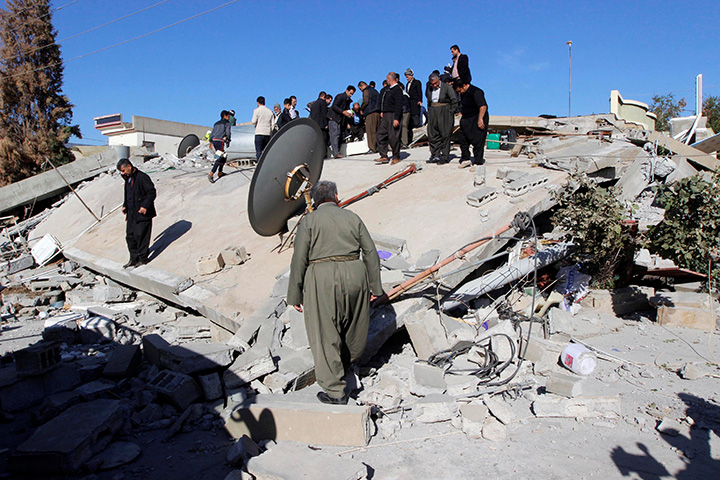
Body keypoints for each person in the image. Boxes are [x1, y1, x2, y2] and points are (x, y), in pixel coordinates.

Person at [287, 180, 383, 405]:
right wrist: (375, 286)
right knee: (353, 325)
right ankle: (347, 364)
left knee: (324, 333)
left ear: (316, 201)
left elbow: (299, 259)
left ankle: (335, 391)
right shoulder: (352, 217)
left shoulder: (309, 221)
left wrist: (295, 294)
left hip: (322, 278)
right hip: (355, 272)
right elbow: (370, 251)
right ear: (336, 197)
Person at [117, 158, 156, 268]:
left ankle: (143, 258)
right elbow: (128, 194)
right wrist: (125, 205)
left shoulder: (142, 178)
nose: (122, 173)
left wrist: (145, 206)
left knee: (141, 236)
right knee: (130, 237)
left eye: (123, 170)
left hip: (142, 213)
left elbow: (151, 192)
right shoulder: (128, 179)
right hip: (132, 213)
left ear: (129, 167)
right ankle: (133, 259)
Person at [453, 78, 488, 170]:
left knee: (478, 140)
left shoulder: (476, 92)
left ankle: (478, 162)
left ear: (464, 85)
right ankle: (465, 158)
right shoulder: (463, 93)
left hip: (477, 116)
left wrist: (480, 119)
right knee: (462, 138)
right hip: (466, 117)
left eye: (460, 90)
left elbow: (483, 106)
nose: (459, 93)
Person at [426, 73, 458, 164]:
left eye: (436, 83)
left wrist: (450, 112)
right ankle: (435, 154)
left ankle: (444, 156)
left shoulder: (447, 87)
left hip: (444, 110)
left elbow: (454, 100)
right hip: (433, 110)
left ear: (439, 79)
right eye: (433, 84)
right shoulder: (429, 88)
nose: (435, 85)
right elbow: (428, 100)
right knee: (432, 134)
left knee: (445, 133)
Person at [376, 72, 403, 165]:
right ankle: (383, 155)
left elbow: (398, 104)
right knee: (380, 134)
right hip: (385, 116)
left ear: (390, 79)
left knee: (393, 136)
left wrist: (396, 118)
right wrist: (382, 111)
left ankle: (396, 156)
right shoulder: (386, 90)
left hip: (393, 115)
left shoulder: (397, 90)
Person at [328, 85, 355, 159]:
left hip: (340, 120)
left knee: (339, 135)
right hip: (334, 118)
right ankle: (336, 153)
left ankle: (337, 151)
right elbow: (334, 106)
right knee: (335, 135)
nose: (351, 95)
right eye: (350, 93)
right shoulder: (340, 97)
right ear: (347, 90)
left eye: (352, 94)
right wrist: (343, 112)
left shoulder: (347, 100)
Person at [208, 110, 231, 183]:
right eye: (228, 116)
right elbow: (228, 132)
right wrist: (228, 140)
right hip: (220, 141)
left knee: (224, 156)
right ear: (225, 116)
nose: (229, 118)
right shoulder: (227, 123)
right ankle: (211, 173)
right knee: (220, 156)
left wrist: (211, 142)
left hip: (214, 141)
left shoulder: (216, 123)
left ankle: (220, 172)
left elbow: (212, 133)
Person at [359, 81, 380, 152]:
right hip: (378, 112)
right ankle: (378, 147)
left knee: (370, 131)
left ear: (361, 86)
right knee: (377, 131)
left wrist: (362, 109)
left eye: (360, 89)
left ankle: (372, 148)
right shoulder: (375, 91)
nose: (361, 91)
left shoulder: (366, 91)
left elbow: (366, 101)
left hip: (370, 112)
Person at [251, 96, 274, 162]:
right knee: (266, 152)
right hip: (267, 133)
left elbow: (253, 121)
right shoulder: (270, 111)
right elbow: (273, 124)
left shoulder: (256, 111)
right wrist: (270, 131)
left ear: (258, 103)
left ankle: (259, 165)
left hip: (259, 133)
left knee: (259, 152)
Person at [399, 83, 412, 148]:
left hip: (405, 111)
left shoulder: (404, 95)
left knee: (404, 126)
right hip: (403, 111)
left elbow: (405, 105)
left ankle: (404, 143)